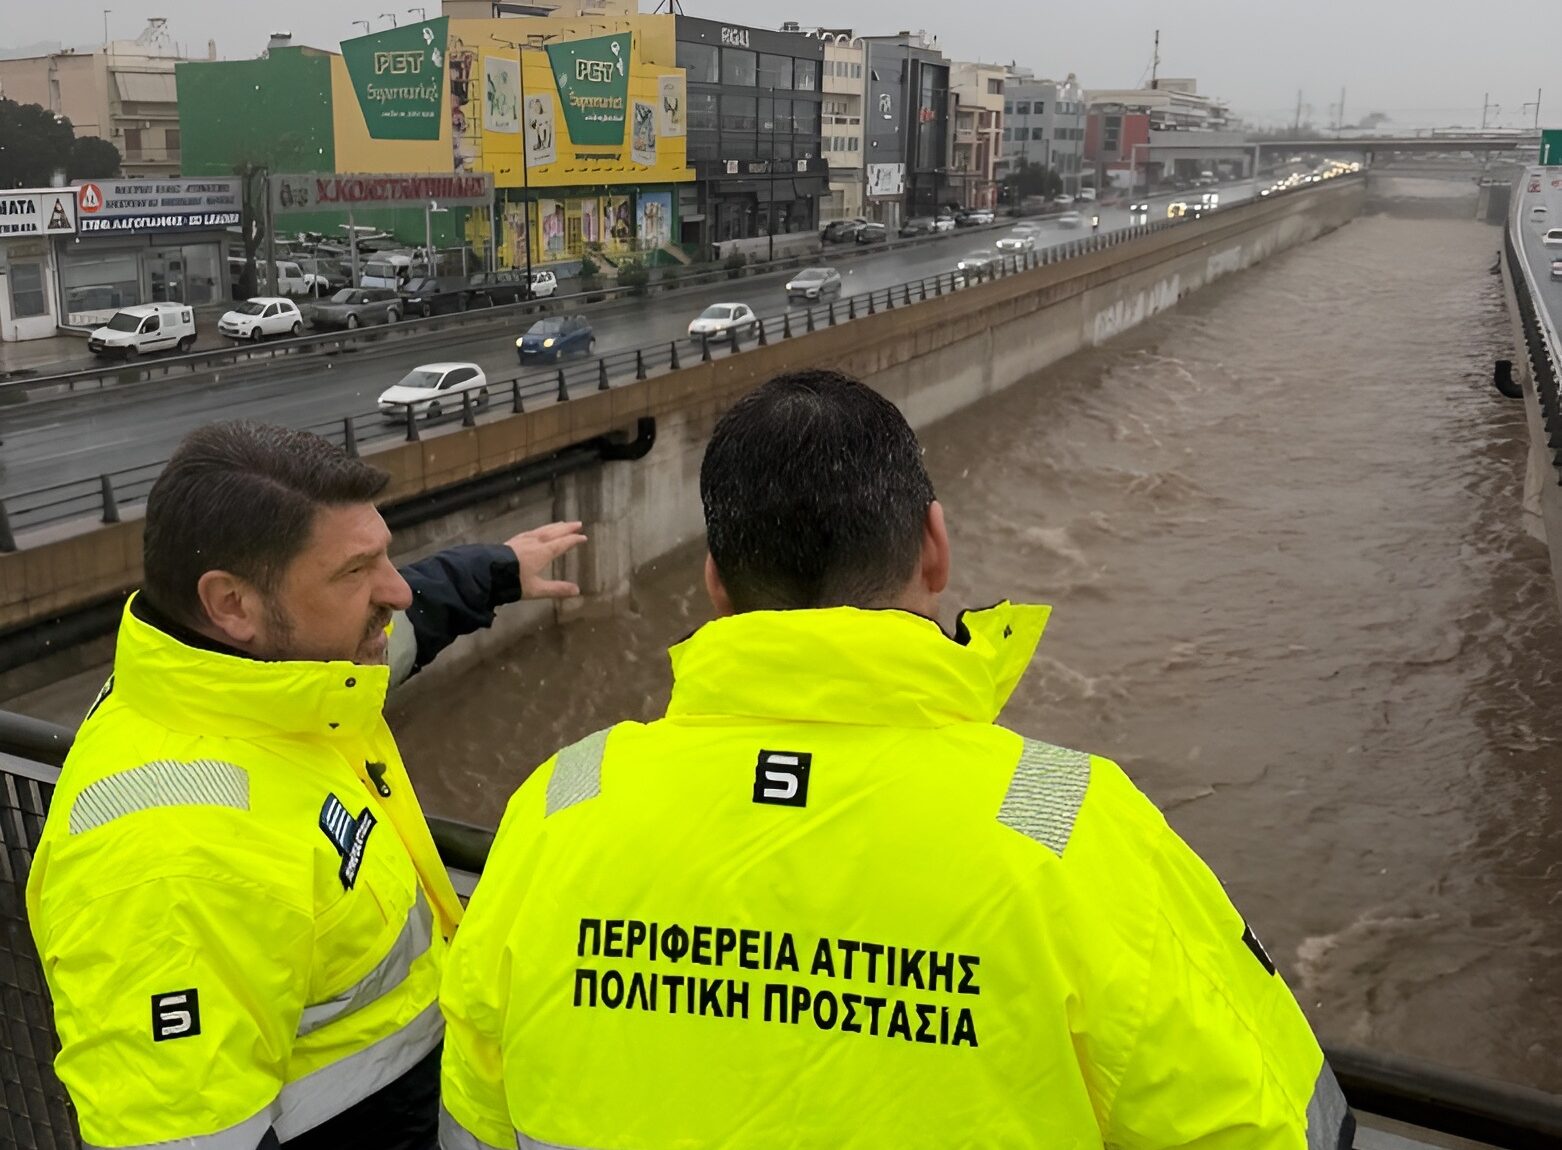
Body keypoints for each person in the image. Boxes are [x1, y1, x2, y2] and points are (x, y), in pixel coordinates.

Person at [439, 370, 1356, 1149]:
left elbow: (476, 1109)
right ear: (934, 547)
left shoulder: (563, 801)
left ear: (716, 579)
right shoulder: (1066, 821)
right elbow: (1267, 1124)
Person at [26, 421, 585, 1150]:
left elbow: (395, 639)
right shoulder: (172, 867)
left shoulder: (266, 689)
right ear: (232, 606)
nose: (394, 591)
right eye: (355, 572)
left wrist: (494, 572)